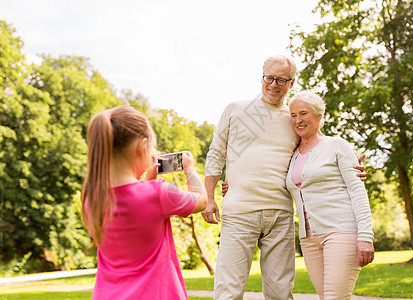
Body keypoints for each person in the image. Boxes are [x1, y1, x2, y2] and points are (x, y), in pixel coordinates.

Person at [202, 55, 366, 300]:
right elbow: (216, 153)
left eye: (281, 79)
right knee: (228, 291)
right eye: (269, 78)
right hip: (240, 213)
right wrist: (209, 198)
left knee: (280, 294)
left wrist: (350, 167)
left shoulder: (293, 119)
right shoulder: (235, 110)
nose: (274, 84)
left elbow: (315, 150)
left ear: (291, 82)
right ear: (262, 78)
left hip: (280, 216)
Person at [80, 105, 207, 299]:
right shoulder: (158, 194)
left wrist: (147, 181)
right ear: (142, 147)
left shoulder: (92, 198)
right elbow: (201, 200)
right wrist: (189, 169)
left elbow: (130, 203)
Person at [286, 91, 374, 299]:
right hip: (308, 239)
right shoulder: (292, 154)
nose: (298, 120)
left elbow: (357, 191)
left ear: (319, 115)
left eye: (303, 113)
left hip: (340, 232)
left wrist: (365, 236)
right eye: (293, 115)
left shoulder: (337, 145)